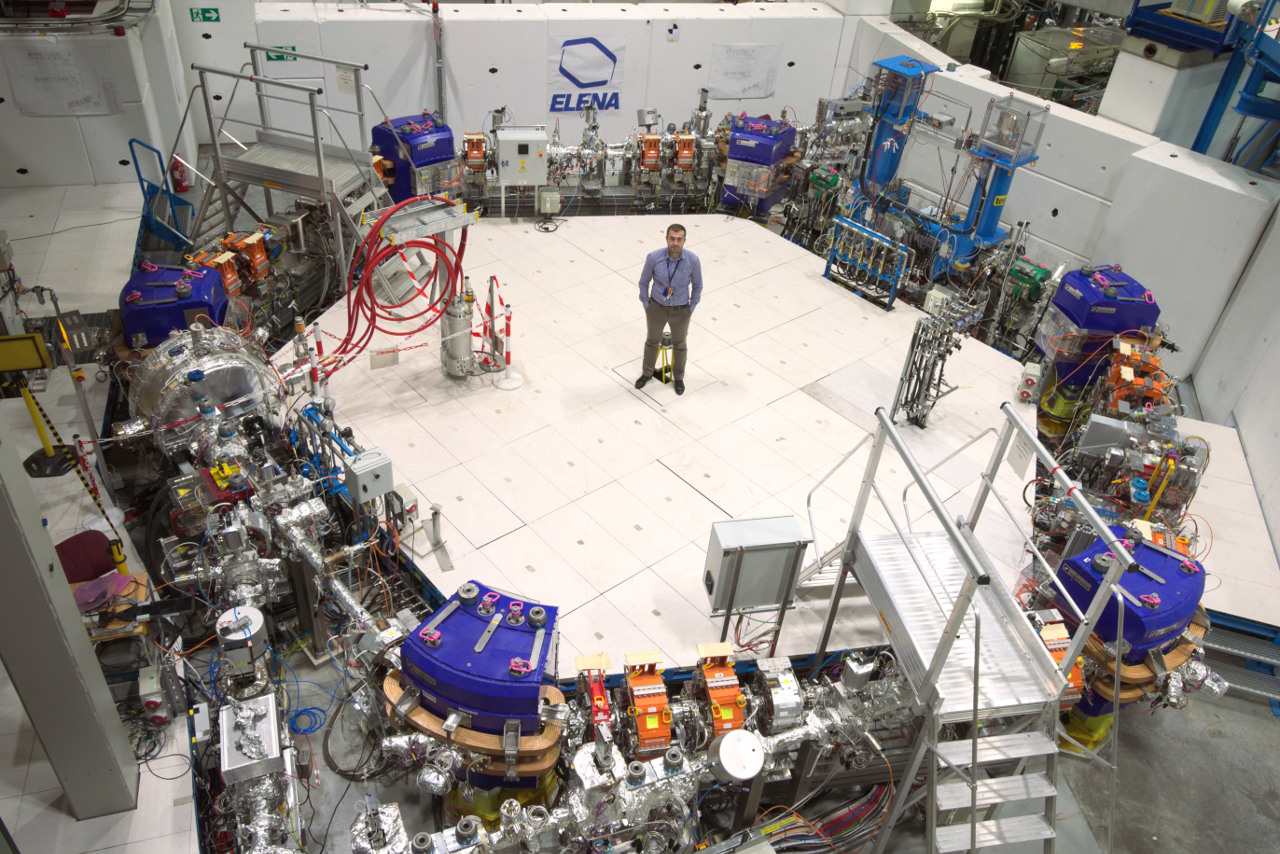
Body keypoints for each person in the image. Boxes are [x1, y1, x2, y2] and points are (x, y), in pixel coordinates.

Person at [635, 223, 703, 395]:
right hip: (656, 308)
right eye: (672, 239)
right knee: (652, 341)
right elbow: (644, 282)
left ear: (684, 241)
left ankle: (678, 378)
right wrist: (646, 304)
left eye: (679, 239)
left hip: (681, 310)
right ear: (666, 239)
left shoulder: (693, 260)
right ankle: (647, 374)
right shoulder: (654, 257)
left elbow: (698, 285)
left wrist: (691, 307)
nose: (675, 243)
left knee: (680, 345)